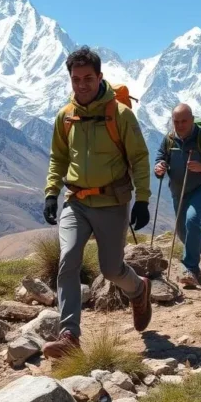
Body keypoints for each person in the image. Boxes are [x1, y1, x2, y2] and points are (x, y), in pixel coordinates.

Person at [41, 46, 154, 357]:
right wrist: (52, 192)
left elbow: (140, 158)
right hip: (76, 201)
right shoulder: (65, 117)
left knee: (112, 268)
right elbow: (58, 158)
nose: (82, 85)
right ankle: (69, 336)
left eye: (88, 78)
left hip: (112, 202)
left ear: (100, 77)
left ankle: (139, 289)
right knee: (68, 260)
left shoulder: (120, 115)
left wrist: (142, 199)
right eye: (76, 79)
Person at [154, 103, 201, 288]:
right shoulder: (169, 139)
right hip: (178, 190)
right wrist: (159, 167)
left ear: (192, 120)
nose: (180, 125)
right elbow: (161, 156)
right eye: (176, 121)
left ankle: (190, 268)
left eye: (184, 121)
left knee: (191, 221)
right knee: (182, 233)